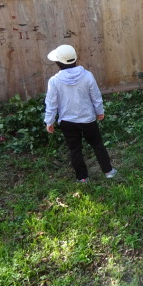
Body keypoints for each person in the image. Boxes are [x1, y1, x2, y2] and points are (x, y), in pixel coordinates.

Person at [44, 44, 117, 183]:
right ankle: (109, 171)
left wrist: (49, 121)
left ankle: (82, 178)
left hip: (67, 123)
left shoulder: (54, 81)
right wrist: (99, 111)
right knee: (97, 144)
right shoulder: (87, 76)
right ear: (75, 59)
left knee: (75, 150)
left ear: (58, 62)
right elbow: (96, 96)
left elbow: (51, 104)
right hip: (88, 120)